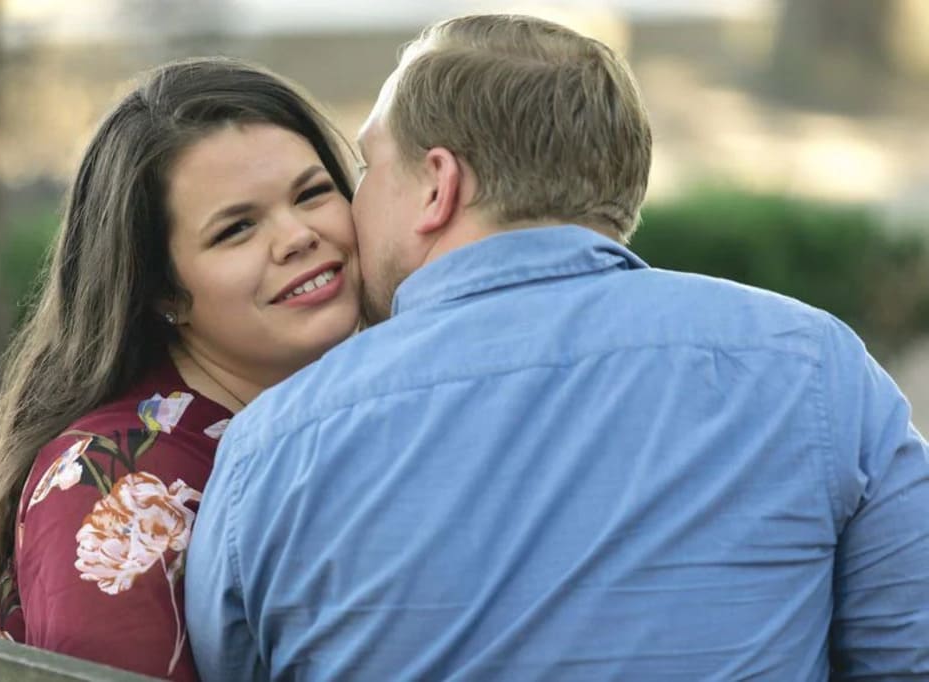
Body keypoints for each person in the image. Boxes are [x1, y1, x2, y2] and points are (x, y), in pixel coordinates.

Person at [185, 14, 929, 681]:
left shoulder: (273, 449)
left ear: (437, 187)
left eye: (370, 166)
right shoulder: (815, 368)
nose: (352, 203)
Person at [0, 57, 361, 681]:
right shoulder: (113, 487)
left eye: (312, 193)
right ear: (165, 293)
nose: (297, 235)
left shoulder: (344, 419)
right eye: (236, 229)